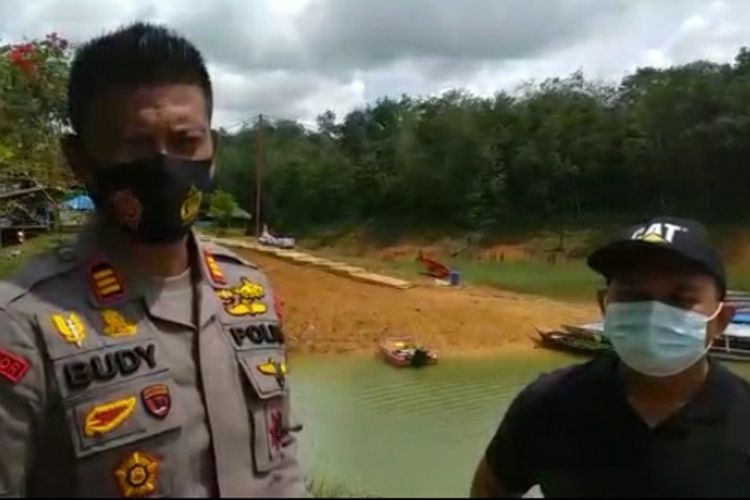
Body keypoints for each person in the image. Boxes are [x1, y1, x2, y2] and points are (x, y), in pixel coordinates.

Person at [0, 23, 305, 497]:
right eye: (135, 145)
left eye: (185, 143)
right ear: (78, 159)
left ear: (213, 151)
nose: (164, 166)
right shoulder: (23, 327)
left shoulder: (249, 293)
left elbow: (281, 458)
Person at [471, 216, 750, 497]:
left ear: (722, 319)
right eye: (632, 294)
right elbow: (492, 487)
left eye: (680, 298)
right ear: (605, 307)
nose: (652, 312)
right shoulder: (550, 404)